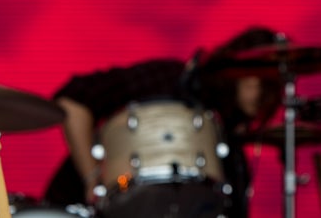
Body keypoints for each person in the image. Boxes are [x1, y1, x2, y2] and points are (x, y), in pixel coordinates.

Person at [44, 26, 285, 217]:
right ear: (236, 70)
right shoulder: (167, 79)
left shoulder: (229, 145)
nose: (265, 95)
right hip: (77, 207)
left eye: (274, 88)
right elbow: (73, 103)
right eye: (261, 81)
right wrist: (92, 179)